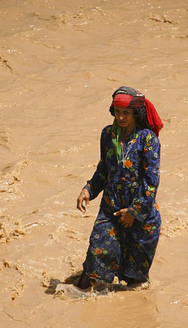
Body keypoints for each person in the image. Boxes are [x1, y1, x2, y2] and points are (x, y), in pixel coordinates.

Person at [75, 86, 164, 290]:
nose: (121, 117)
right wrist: (88, 189)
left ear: (135, 113)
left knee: (134, 280)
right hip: (111, 209)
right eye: (118, 112)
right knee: (95, 258)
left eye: (126, 113)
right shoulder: (108, 135)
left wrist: (134, 211)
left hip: (141, 216)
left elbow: (151, 182)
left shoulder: (148, 139)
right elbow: (104, 169)